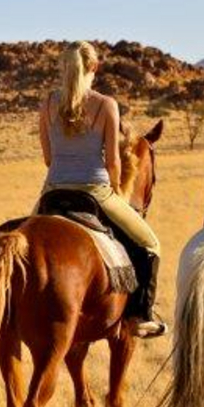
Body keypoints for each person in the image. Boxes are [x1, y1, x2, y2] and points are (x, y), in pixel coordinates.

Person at [37, 41, 165, 338]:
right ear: (94, 68)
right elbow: (114, 163)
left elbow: (48, 158)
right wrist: (117, 190)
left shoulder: (46, 103)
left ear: (64, 68)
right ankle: (139, 316)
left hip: (52, 191)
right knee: (149, 244)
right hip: (95, 191)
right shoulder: (106, 105)